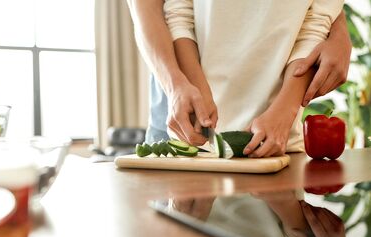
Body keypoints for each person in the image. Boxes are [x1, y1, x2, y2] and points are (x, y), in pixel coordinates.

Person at [127, 0, 352, 157]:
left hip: (279, 140)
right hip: (180, 103)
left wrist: (285, 109)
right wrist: (178, 84)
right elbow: (169, 14)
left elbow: (316, 21)